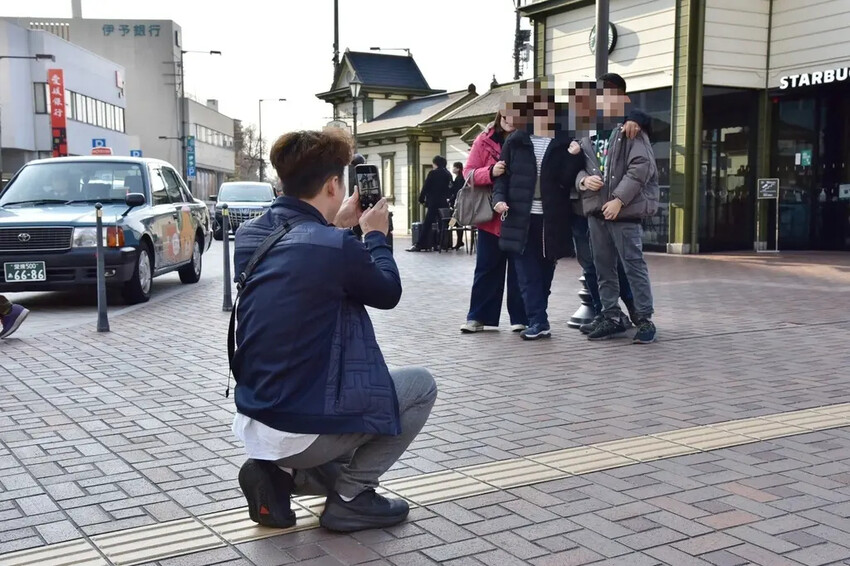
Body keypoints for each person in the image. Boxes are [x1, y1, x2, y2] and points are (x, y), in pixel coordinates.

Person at [231, 128, 438, 533]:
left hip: (256, 416)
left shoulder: (250, 235)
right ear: (332, 184)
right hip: (301, 426)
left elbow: (304, 260)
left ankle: (278, 475)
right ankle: (351, 497)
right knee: (420, 387)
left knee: (335, 402)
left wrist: (337, 226)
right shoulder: (333, 245)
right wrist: (375, 235)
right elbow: (386, 292)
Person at [493, 80, 585, 340]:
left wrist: (574, 156)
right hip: (520, 217)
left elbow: (566, 181)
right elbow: (502, 177)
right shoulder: (516, 141)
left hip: (552, 220)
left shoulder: (563, 142)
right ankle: (537, 320)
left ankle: (539, 318)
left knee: (545, 272)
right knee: (526, 273)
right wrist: (498, 200)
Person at [576, 73, 659, 344]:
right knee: (603, 267)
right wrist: (583, 181)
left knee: (633, 265)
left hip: (624, 212)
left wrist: (619, 200)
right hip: (596, 212)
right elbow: (578, 170)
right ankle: (611, 315)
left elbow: (640, 168)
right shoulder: (588, 130)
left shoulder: (631, 128)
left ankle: (644, 319)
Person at [460, 109, 528, 334]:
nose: (510, 121)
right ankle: (478, 317)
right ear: (500, 116)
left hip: (520, 213)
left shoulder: (529, 138)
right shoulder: (484, 139)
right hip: (490, 217)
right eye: (506, 116)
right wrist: (490, 171)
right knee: (487, 268)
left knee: (520, 270)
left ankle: (522, 318)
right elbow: (468, 173)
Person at [408, 155, 452, 252]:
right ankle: (441, 244)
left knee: (427, 224)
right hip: (443, 203)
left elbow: (426, 187)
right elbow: (450, 189)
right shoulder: (448, 174)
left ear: (435, 163)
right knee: (442, 224)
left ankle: (420, 244)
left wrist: (421, 199)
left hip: (433, 202)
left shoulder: (432, 173)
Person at [448, 162, 465, 250]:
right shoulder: (461, 178)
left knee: (455, 221)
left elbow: (456, 192)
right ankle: (459, 241)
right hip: (459, 204)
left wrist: (450, 200)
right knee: (457, 222)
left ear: (458, 168)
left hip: (458, 205)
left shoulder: (459, 179)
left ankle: (458, 241)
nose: (453, 169)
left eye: (454, 168)